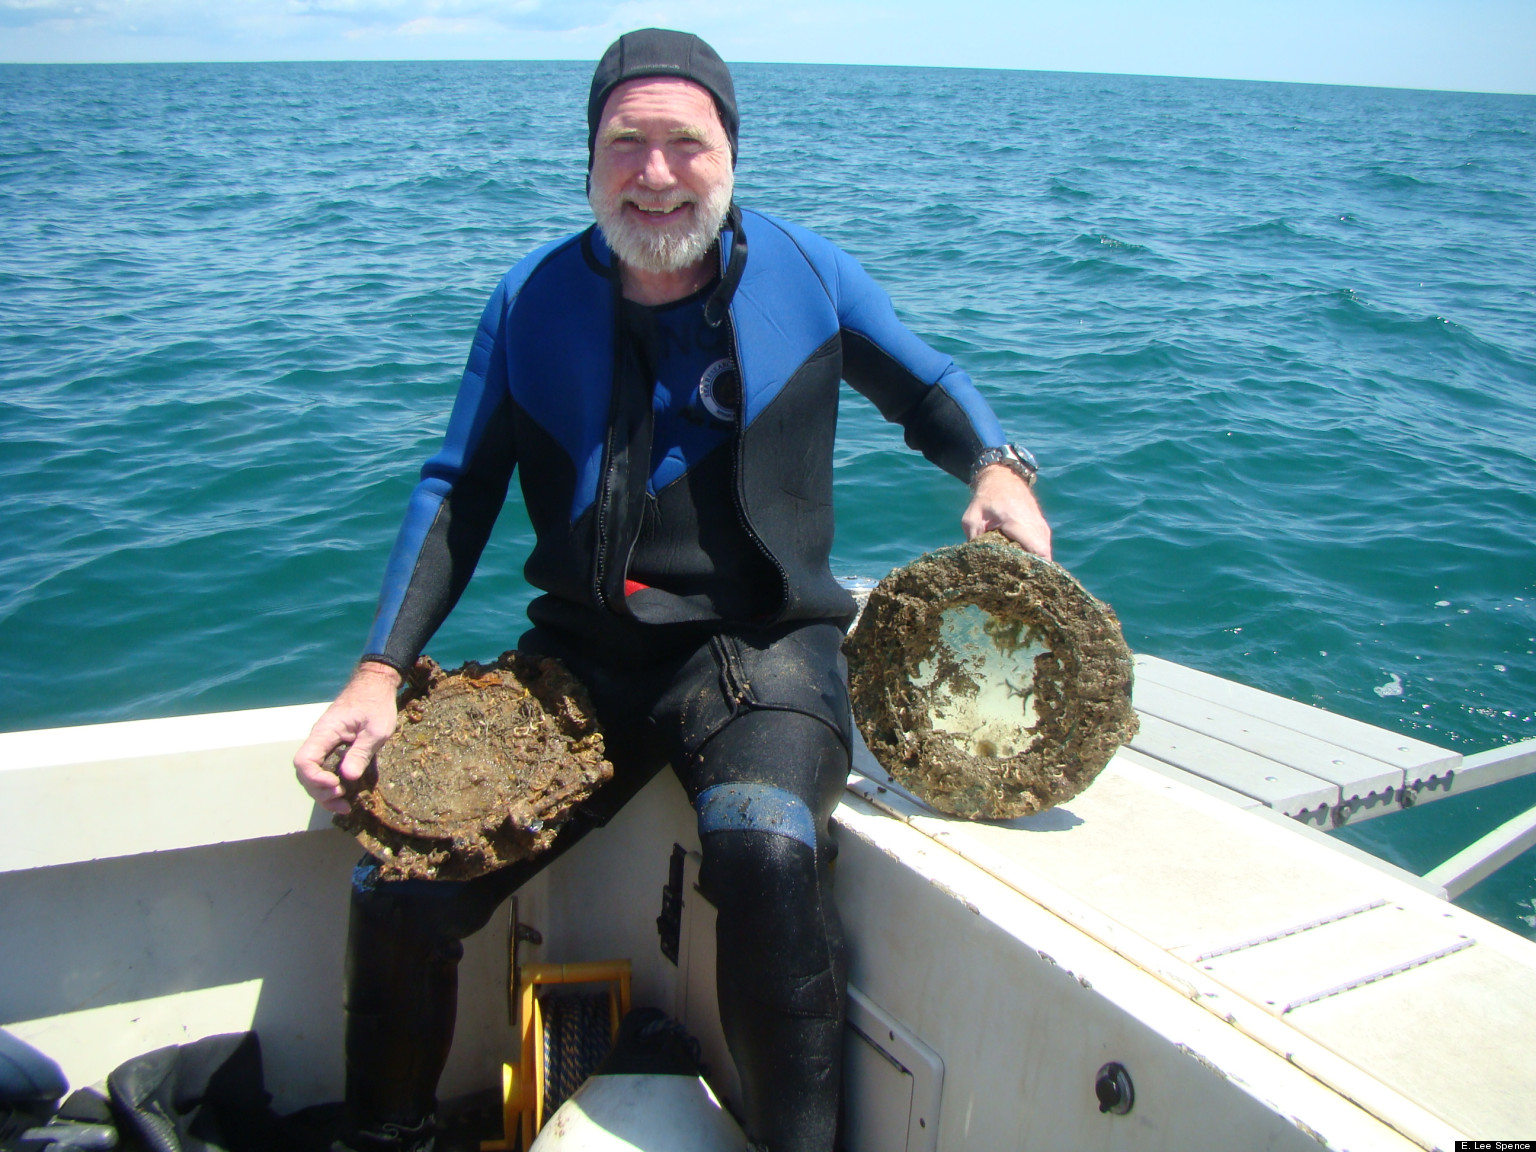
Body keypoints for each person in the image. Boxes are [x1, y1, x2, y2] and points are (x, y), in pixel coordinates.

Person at [294, 27, 1050, 1152]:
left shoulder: (808, 272)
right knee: (399, 886)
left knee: (763, 844)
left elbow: (928, 385)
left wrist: (996, 467)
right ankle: (385, 1138)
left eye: (683, 145)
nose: (654, 176)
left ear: (730, 155)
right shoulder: (530, 300)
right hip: (584, 659)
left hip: (765, 647)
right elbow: (456, 492)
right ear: (588, 160)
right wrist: (377, 672)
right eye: (625, 145)